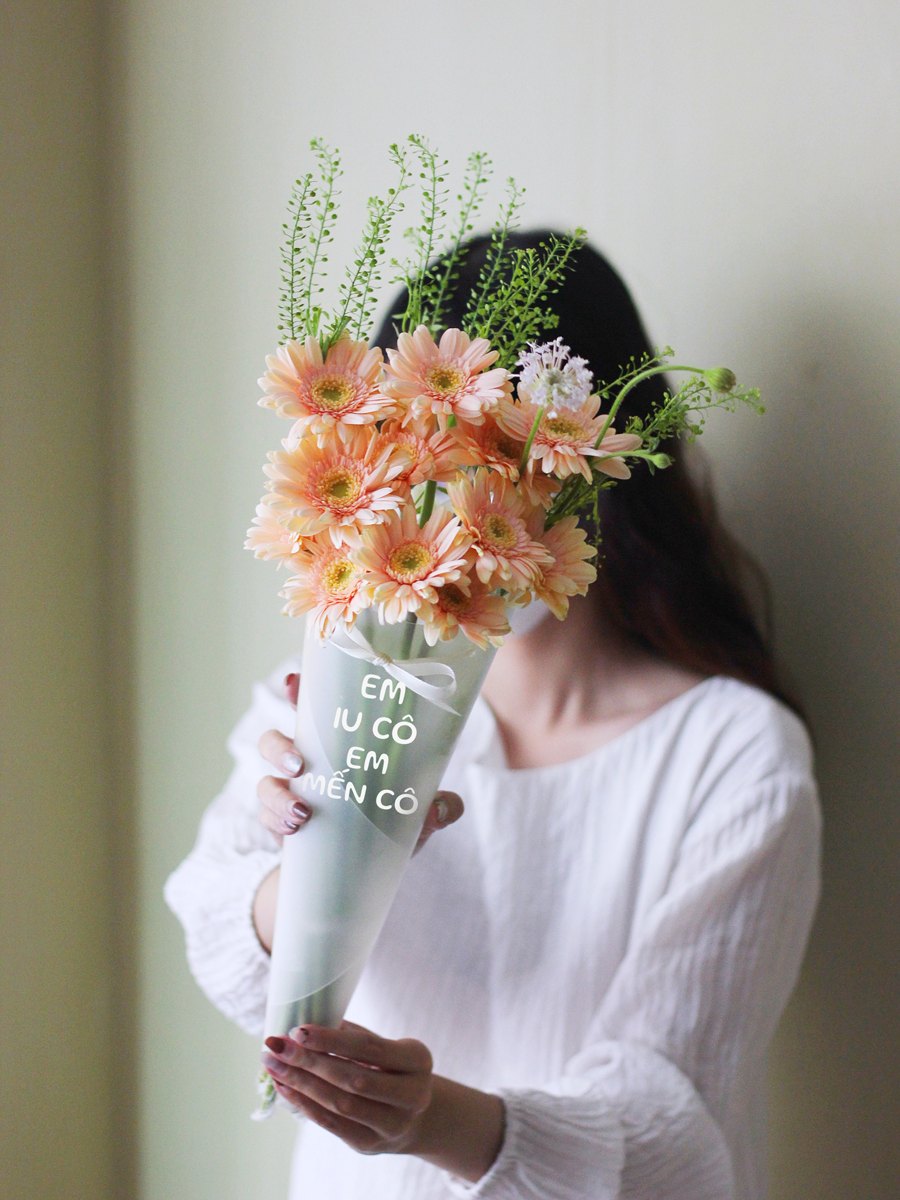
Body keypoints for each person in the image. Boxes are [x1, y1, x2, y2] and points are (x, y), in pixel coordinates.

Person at [165, 236, 820, 1200]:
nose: (437, 502)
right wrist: (311, 852)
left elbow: (676, 1129)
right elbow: (214, 930)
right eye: (406, 448)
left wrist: (436, 1122)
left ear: (591, 458)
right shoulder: (333, 695)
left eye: (481, 453)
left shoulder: (733, 756)